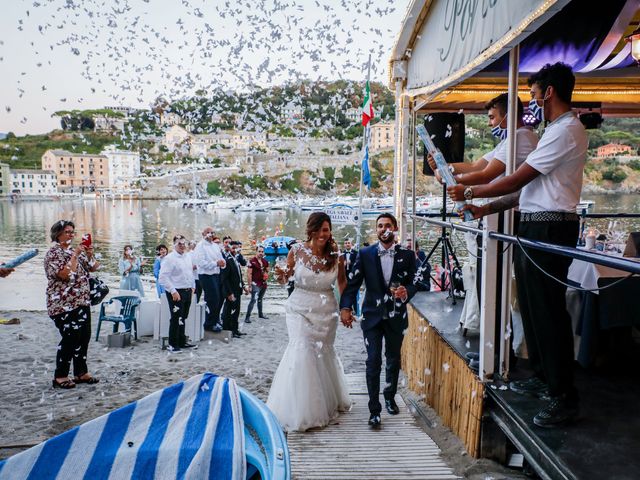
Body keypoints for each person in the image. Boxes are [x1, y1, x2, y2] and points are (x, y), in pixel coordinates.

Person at [451, 62, 586, 428]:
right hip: (535, 227)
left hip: (551, 229)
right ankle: (545, 380)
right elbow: (525, 192)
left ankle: (564, 397)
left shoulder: (566, 130)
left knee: (548, 312)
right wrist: (486, 207)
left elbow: (518, 178)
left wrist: (469, 190)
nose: (532, 99)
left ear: (549, 92)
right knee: (531, 308)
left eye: (533, 92)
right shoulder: (553, 131)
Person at [268, 212, 351, 432]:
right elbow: (287, 276)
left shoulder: (336, 255)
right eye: (322, 229)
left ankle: (325, 402)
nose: (326, 234)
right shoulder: (296, 250)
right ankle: (305, 411)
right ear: (312, 230)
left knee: (322, 354)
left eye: (328, 229)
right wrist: (280, 275)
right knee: (302, 349)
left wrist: (346, 308)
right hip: (298, 308)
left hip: (326, 309)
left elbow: (342, 283)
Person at [339, 213, 418, 428]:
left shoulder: (408, 255)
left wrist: (406, 291)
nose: (384, 229)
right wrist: (346, 307)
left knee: (393, 359)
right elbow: (352, 285)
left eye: (388, 225)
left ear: (395, 228)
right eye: (380, 226)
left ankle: (390, 397)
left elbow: (417, 282)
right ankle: (374, 410)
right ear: (376, 230)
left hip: (396, 317)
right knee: (373, 361)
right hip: (372, 317)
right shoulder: (364, 254)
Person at [44, 220, 100, 389]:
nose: (71, 235)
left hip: (82, 301)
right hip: (62, 304)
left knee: (84, 337)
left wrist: (90, 254)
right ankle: (60, 375)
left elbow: (95, 267)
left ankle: (80, 373)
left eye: (72, 232)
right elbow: (65, 275)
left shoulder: (74, 251)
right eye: (67, 232)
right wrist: (75, 255)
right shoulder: (53, 254)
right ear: (57, 234)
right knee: (70, 338)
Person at [158, 235, 198, 352]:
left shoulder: (187, 257)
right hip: (176, 291)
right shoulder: (169, 259)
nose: (182, 246)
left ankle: (182, 341)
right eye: (179, 244)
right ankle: (172, 343)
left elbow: (190, 273)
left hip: (187, 290)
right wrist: (173, 291)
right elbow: (162, 278)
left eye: (184, 243)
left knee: (183, 316)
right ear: (174, 245)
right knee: (176, 317)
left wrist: (192, 287)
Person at [194, 227, 226, 333]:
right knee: (212, 299)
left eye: (212, 233)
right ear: (203, 234)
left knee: (218, 298)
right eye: (208, 233)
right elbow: (201, 263)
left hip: (216, 274)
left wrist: (222, 263)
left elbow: (221, 258)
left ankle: (215, 320)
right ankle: (209, 324)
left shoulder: (215, 246)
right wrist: (216, 263)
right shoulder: (200, 246)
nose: (210, 235)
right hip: (205, 275)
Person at [221, 242, 249, 338]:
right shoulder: (227, 260)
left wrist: (244, 286)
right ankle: (228, 330)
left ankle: (235, 329)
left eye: (237, 248)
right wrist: (229, 293)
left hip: (238, 289)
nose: (235, 250)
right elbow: (224, 279)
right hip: (231, 290)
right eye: (233, 248)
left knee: (236, 310)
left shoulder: (236, 259)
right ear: (229, 249)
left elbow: (239, 275)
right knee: (229, 310)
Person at [245, 245, 269, 323]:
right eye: (259, 251)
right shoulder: (252, 261)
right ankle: (247, 317)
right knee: (253, 299)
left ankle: (260, 314)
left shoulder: (265, 261)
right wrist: (249, 285)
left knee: (260, 299)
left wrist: (266, 274)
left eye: (262, 251)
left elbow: (267, 270)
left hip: (263, 283)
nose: (261, 253)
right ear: (256, 251)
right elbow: (249, 274)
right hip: (255, 283)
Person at [341, 238, 359, 314]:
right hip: (344, 276)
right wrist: (343, 265)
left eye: (349, 243)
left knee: (353, 293)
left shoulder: (356, 253)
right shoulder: (341, 254)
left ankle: (355, 309)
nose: (347, 244)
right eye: (346, 243)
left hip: (353, 277)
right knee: (344, 293)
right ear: (344, 245)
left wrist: (351, 263)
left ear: (351, 244)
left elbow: (358, 264)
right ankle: (344, 309)